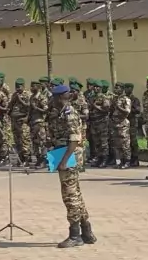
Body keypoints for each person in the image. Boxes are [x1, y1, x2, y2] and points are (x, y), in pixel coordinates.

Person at [49, 83, 95, 248]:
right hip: (61, 153)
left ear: (61, 97)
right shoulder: (60, 112)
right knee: (75, 193)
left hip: (68, 156)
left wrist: (63, 161)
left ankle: (75, 235)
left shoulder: (69, 114)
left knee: (69, 195)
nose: (51, 100)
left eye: (54, 97)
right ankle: (86, 231)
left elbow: (75, 140)